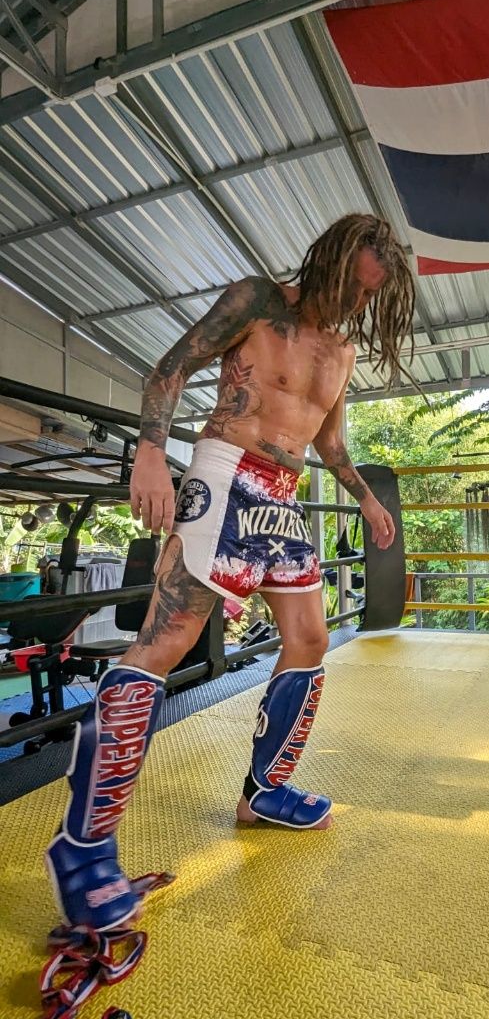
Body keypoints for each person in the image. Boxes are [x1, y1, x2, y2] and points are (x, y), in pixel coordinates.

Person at [45, 213, 415, 932]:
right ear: (330, 262)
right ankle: (83, 847)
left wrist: (367, 499)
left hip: (283, 495)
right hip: (224, 472)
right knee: (165, 642)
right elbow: (172, 367)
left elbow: (331, 442)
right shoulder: (257, 302)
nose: (354, 308)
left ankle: (265, 789)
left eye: (367, 300)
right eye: (351, 289)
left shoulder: (340, 353)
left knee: (309, 636)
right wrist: (151, 453)